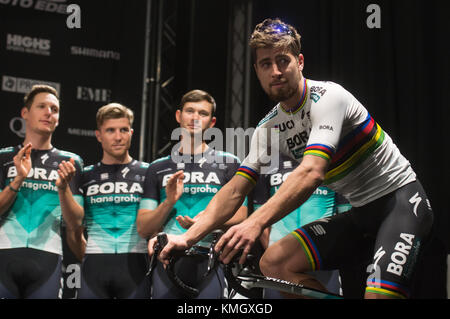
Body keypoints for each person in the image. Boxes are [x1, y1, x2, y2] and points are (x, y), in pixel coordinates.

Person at [152, 18, 434, 299]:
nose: (275, 71)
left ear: (299, 61)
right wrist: (186, 237)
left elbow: (312, 172)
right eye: (265, 64)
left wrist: (255, 222)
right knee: (273, 263)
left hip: (400, 202)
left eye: (282, 61)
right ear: (256, 71)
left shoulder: (328, 97)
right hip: (360, 213)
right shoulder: (268, 128)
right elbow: (236, 189)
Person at [138, 89, 248, 299]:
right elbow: (144, 228)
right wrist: (168, 202)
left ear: (212, 122)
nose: (195, 117)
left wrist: (205, 221)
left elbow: (242, 215)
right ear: (179, 116)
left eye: (202, 113)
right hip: (167, 258)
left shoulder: (229, 163)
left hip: (211, 259)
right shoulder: (157, 167)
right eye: (190, 111)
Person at [59, 103, 151, 299]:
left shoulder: (148, 172)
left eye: (123, 130)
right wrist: (90, 254)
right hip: (94, 268)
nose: (118, 137)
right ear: (99, 135)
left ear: (132, 132)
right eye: (110, 130)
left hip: (137, 268)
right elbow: (73, 227)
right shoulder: (83, 175)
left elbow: (155, 226)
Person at [0, 85, 84, 298]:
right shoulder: (4, 158)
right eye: (42, 106)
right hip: (4, 258)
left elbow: (75, 223)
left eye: (54, 109)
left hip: (47, 261)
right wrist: (19, 177)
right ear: (25, 113)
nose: (49, 112)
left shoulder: (70, 162)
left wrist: (63, 188)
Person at [254, 153, 351, 297]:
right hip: (279, 258)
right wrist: (273, 253)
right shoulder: (269, 163)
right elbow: (260, 217)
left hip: (323, 259)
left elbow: (346, 216)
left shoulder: (331, 160)